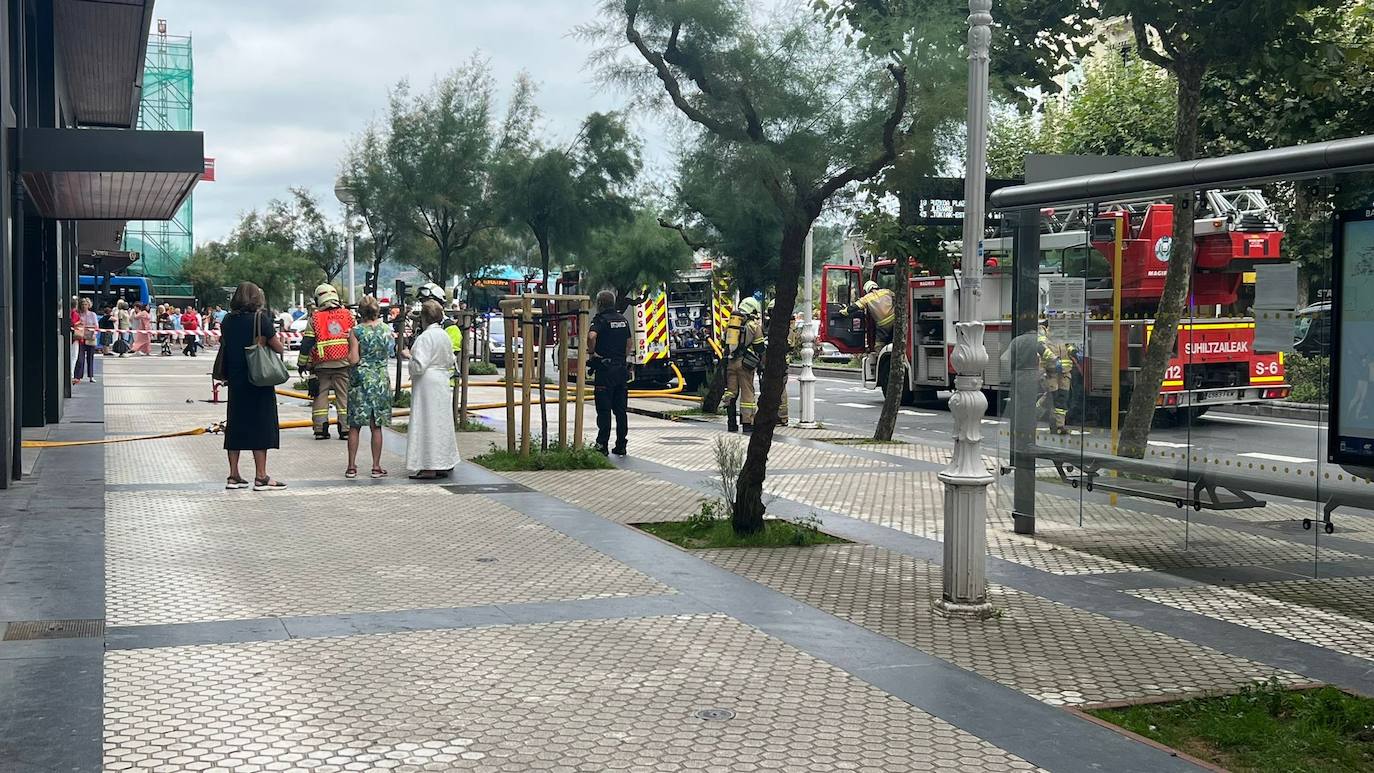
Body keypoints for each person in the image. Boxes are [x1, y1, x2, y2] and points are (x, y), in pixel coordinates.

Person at [217, 282, 286, 491]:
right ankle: (261, 476)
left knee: (235, 425)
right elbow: (278, 347)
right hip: (258, 379)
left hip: (236, 380)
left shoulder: (227, 320)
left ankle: (233, 475)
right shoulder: (260, 319)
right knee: (261, 425)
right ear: (257, 298)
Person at [406, 299, 460, 479]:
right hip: (442, 380)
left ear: (424, 318)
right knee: (441, 423)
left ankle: (428, 465)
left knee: (425, 422)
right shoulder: (444, 335)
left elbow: (419, 365)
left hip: (426, 383)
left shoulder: (425, 337)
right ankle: (443, 463)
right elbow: (451, 358)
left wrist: (409, 356)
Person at [344, 295, 393, 480]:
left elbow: (354, 359)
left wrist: (348, 357)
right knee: (376, 426)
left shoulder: (355, 331)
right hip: (380, 379)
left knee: (355, 425)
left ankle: (351, 467)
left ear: (360, 312)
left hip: (361, 380)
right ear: (377, 311)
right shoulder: (386, 330)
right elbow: (390, 350)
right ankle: (376, 466)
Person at [297, 284, 354, 440]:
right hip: (343, 364)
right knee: (343, 397)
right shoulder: (348, 315)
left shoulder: (315, 318)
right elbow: (356, 339)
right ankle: (345, 429)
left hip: (321, 365)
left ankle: (320, 429)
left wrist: (302, 364)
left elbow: (307, 343)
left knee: (320, 397)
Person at [588, 290, 633, 456]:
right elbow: (629, 343)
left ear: (600, 304)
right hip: (621, 370)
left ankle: (602, 445)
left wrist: (592, 353)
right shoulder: (623, 320)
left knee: (604, 410)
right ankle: (621, 445)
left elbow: (592, 336)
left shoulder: (600, 320)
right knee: (621, 411)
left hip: (605, 371)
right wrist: (622, 357)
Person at [722, 296, 764, 434]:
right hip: (745, 365)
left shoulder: (731, 324)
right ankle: (747, 423)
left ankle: (731, 423)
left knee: (731, 392)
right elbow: (759, 347)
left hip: (731, 362)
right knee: (747, 394)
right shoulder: (753, 326)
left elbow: (724, 341)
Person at [1037, 321, 1077, 435]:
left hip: (1064, 373)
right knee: (1051, 398)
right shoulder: (1042, 331)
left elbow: (1068, 345)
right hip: (1050, 372)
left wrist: (1073, 351)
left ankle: (1059, 426)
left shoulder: (1062, 330)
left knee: (1062, 399)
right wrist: (1054, 359)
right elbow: (1040, 347)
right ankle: (1033, 416)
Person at [838, 280, 896, 348]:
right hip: (894, 320)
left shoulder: (866, 298)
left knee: (879, 344)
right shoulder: (887, 292)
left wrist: (844, 312)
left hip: (882, 325)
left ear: (867, 290)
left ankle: (879, 356)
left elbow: (854, 307)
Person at [72, 298, 98, 384]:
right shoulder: (79, 314)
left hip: (91, 338)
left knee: (90, 358)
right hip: (81, 338)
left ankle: (91, 376)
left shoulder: (93, 314)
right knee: (80, 358)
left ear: (89, 305)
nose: (84, 306)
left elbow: (96, 325)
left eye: (86, 304)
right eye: (82, 304)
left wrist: (95, 333)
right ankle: (78, 376)